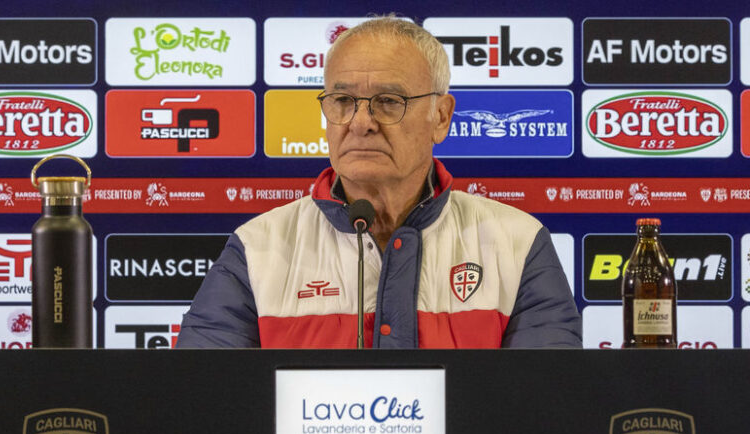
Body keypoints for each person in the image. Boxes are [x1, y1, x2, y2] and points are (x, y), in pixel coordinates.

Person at [176, 17, 581, 348]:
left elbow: (543, 405)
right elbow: (205, 405)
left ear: (441, 116)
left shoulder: (518, 243)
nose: (361, 122)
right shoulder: (257, 246)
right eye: (343, 100)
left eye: (389, 101)